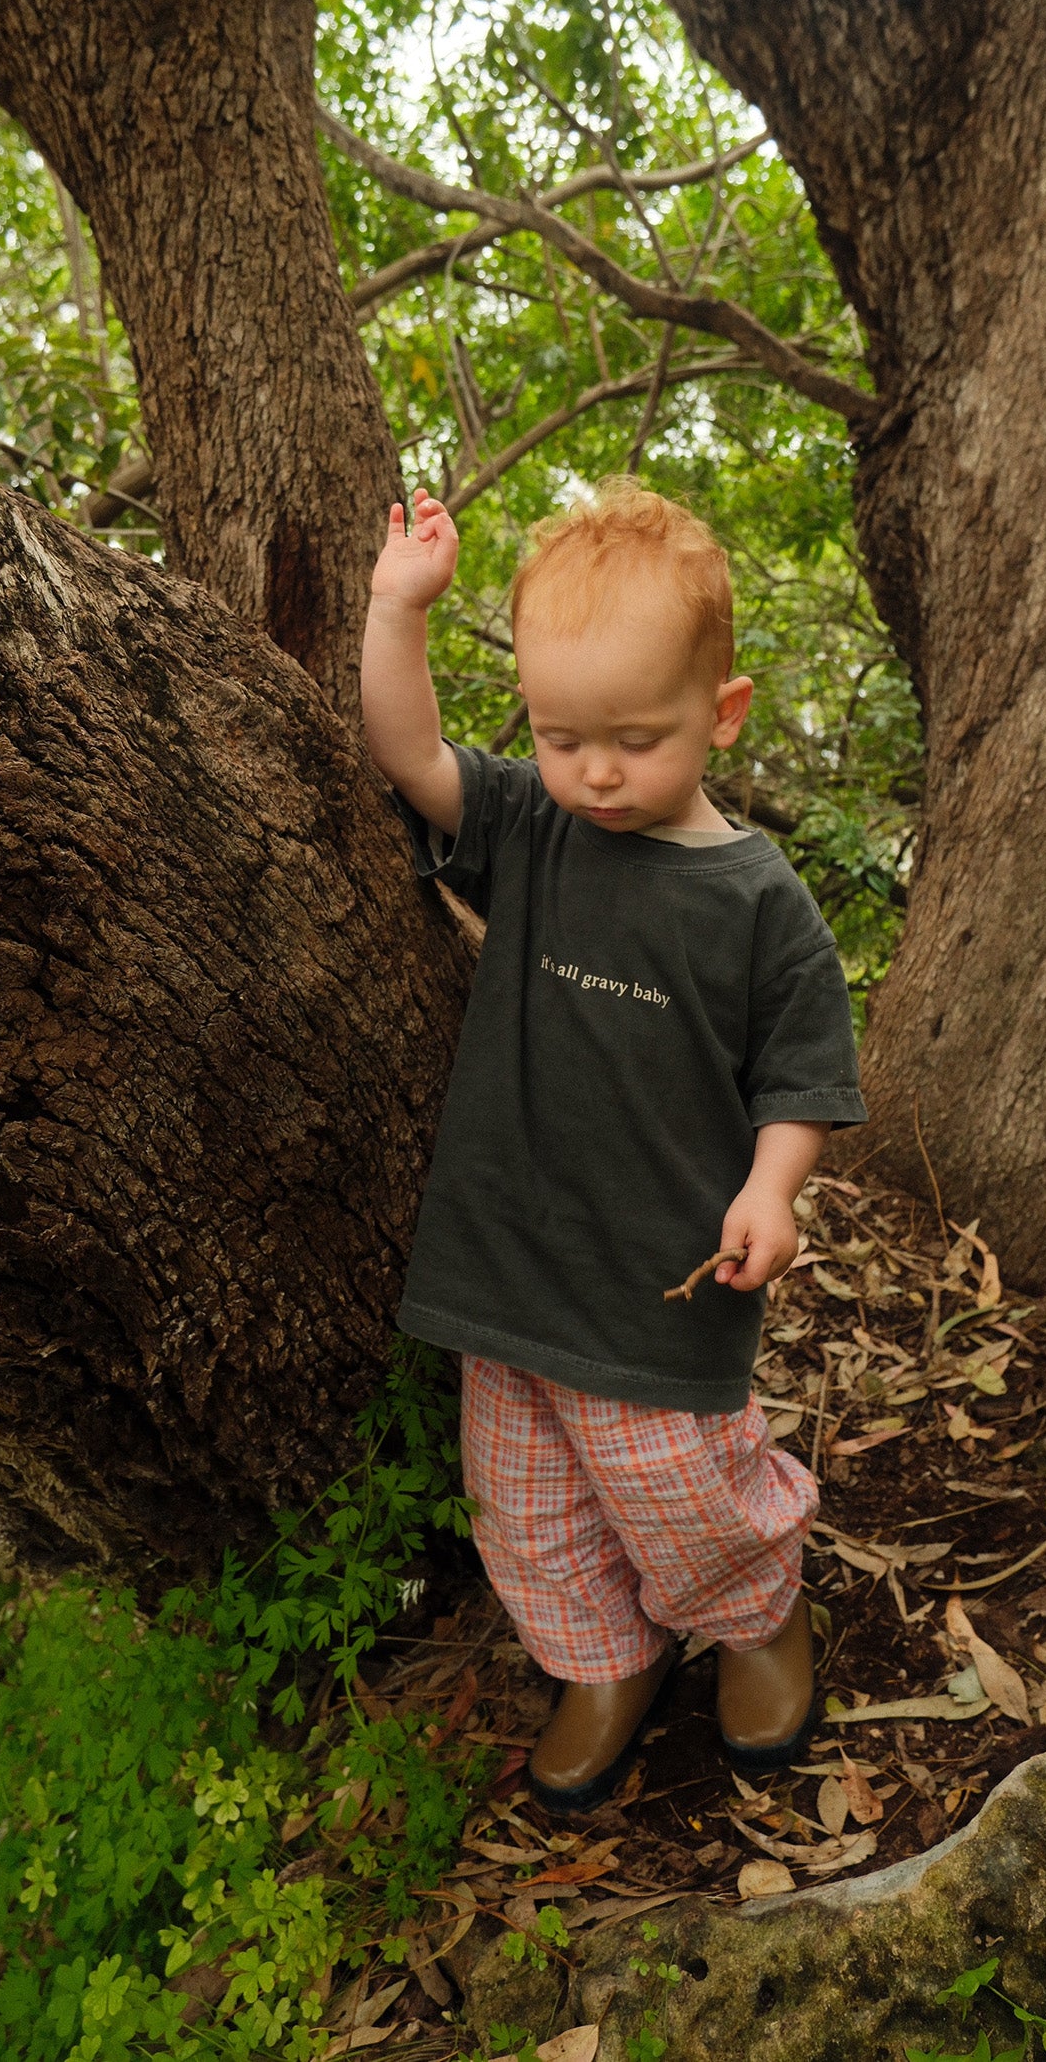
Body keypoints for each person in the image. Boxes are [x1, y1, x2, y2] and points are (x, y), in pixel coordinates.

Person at [361, 476, 866, 1812]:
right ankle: (602, 1661)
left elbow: (806, 1071)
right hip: (511, 1265)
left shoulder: (758, 903)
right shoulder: (533, 828)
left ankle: (757, 1619)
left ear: (724, 711)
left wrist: (773, 1188)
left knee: (685, 1490)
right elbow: (410, 756)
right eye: (561, 733)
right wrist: (396, 607)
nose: (593, 770)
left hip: (660, 1283)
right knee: (528, 1512)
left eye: (633, 740)